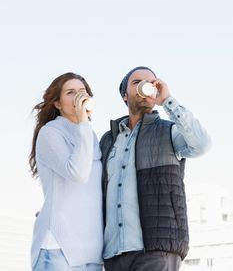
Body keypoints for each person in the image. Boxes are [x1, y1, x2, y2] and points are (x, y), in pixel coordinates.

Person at [100, 66, 211, 271]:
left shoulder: (169, 131)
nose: (145, 86)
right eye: (137, 82)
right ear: (125, 96)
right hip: (113, 254)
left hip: (156, 250)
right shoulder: (107, 141)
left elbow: (201, 144)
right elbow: (92, 189)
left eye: (151, 82)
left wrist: (167, 100)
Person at [29, 72, 103, 271]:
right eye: (70, 92)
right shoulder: (50, 132)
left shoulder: (90, 136)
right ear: (58, 104)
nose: (79, 97)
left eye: (82, 92)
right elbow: (78, 174)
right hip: (59, 249)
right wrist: (83, 123)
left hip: (93, 253)